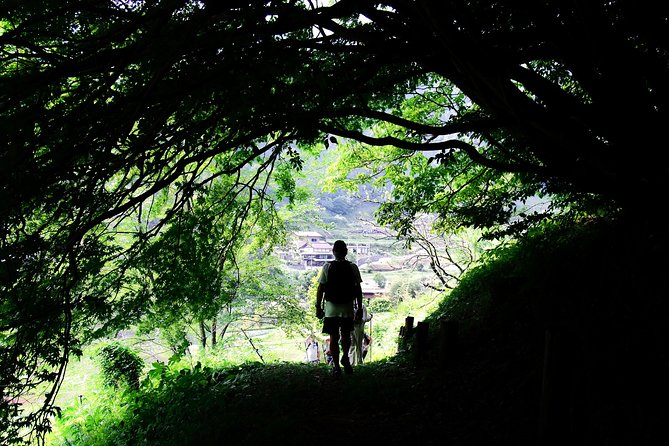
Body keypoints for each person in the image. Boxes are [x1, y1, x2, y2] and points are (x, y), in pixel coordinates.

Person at [316, 240, 363, 376]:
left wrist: (318, 307)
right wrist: (359, 308)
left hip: (331, 308)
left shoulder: (327, 267)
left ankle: (336, 367)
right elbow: (358, 289)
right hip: (347, 307)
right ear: (346, 252)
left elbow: (321, 288)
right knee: (346, 336)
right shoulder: (353, 267)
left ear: (333, 252)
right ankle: (345, 359)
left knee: (334, 337)